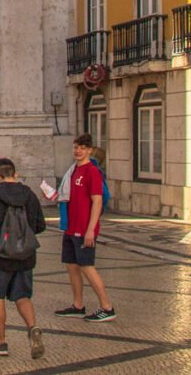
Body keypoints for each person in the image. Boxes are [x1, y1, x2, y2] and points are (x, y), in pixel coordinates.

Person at [0, 158, 47, 358]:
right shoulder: (29, 196)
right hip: (25, 256)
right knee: (23, 296)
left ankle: (0, 343)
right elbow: (40, 225)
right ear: (15, 174)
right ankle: (32, 328)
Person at [54, 134, 116, 323]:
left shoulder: (92, 172)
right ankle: (78, 305)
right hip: (71, 227)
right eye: (75, 147)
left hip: (84, 228)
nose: (78, 151)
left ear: (89, 150)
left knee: (87, 267)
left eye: (82, 147)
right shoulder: (73, 171)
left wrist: (91, 229)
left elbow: (97, 200)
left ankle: (107, 307)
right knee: (72, 266)